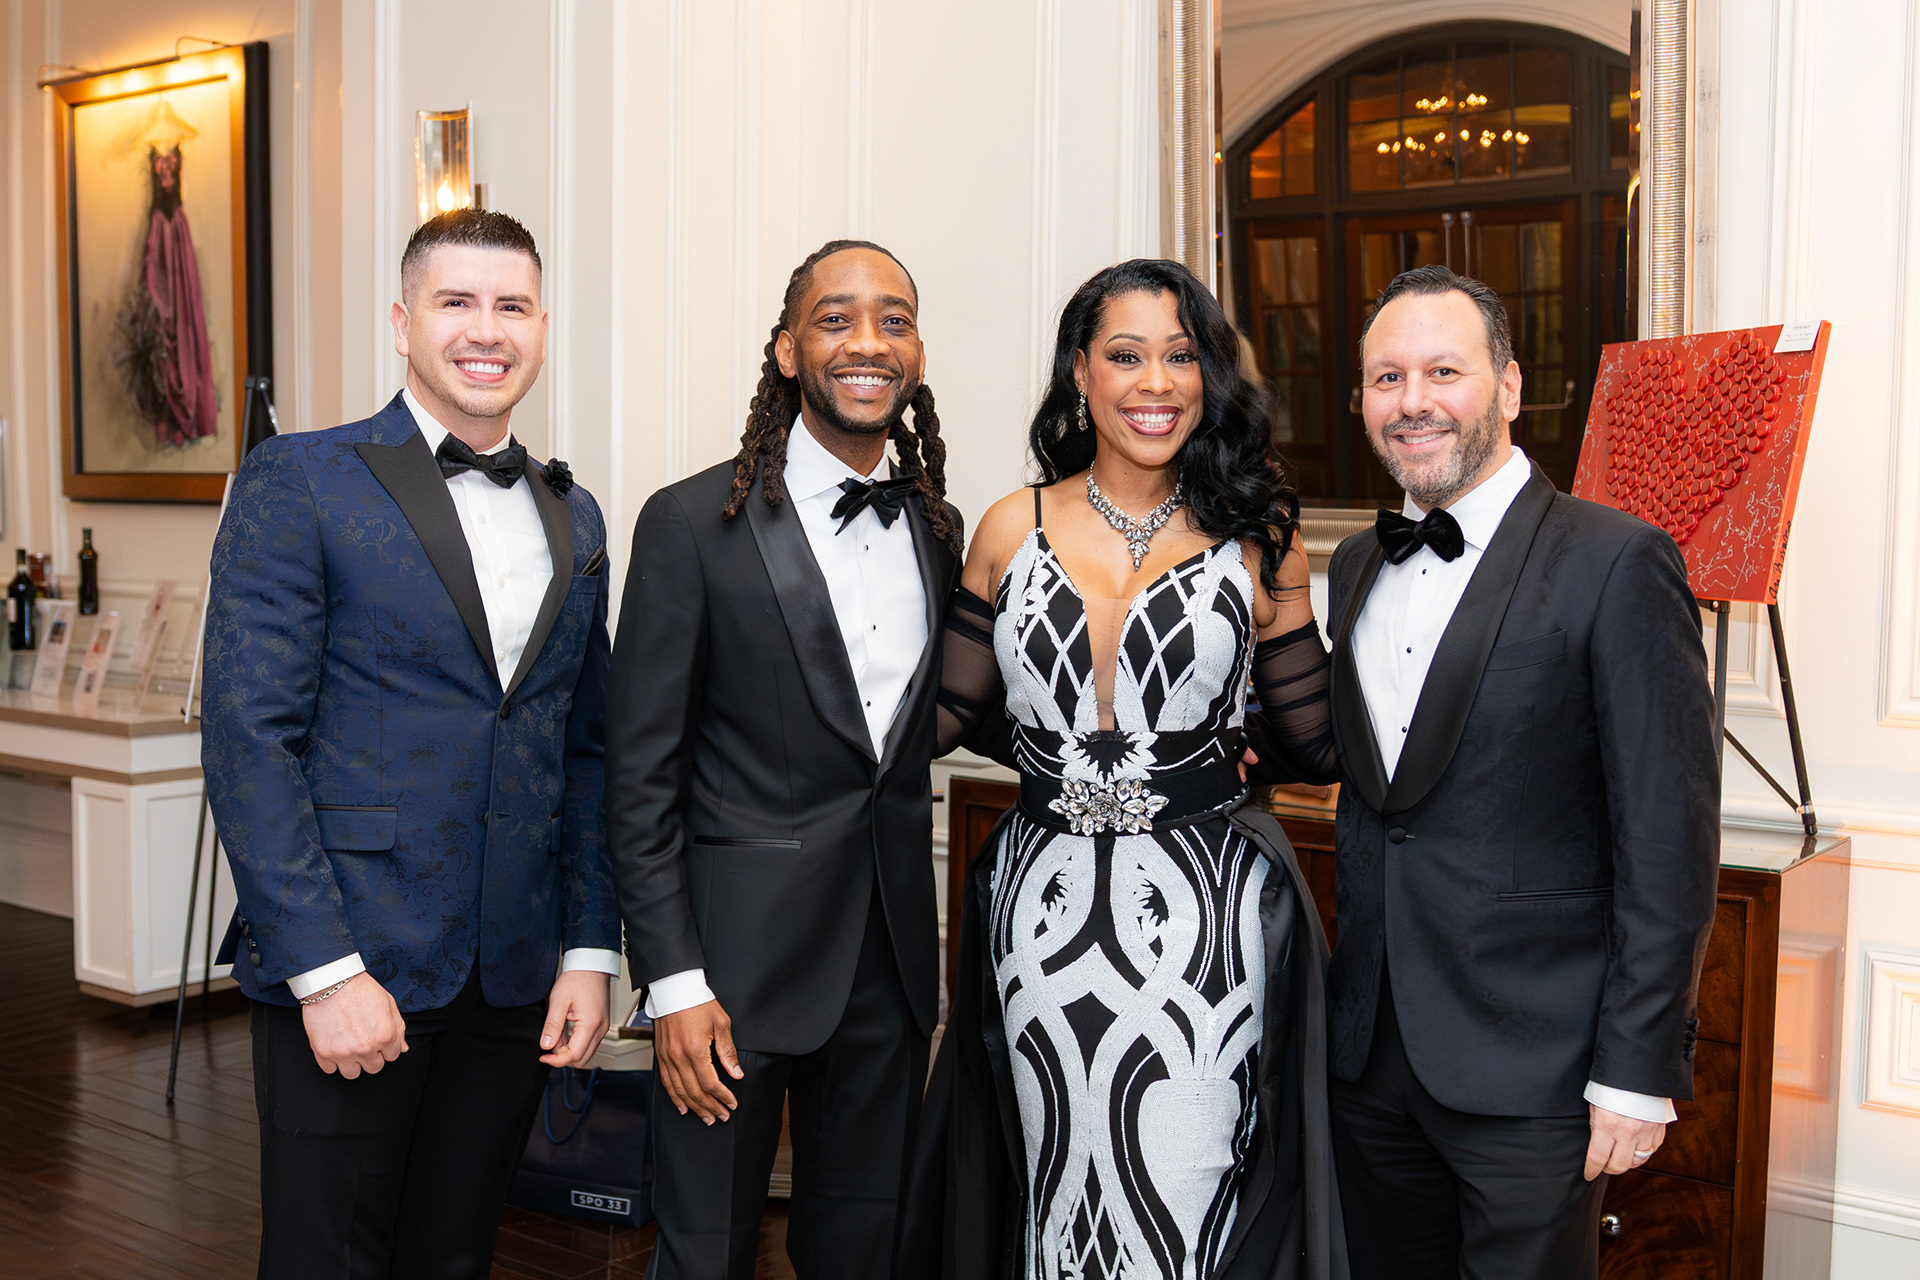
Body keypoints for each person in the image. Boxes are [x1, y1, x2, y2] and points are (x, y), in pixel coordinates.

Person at [201, 209, 621, 1280]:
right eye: (456, 302)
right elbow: (251, 739)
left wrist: (588, 950)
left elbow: (583, 750)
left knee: (457, 1254)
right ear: (402, 322)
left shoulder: (577, 517)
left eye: (513, 305)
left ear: (541, 328)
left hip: (512, 977)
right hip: (353, 960)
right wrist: (324, 972)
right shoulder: (301, 478)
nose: (487, 329)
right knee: (327, 1259)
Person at [926, 258, 1346, 1280]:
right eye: (1126, 355)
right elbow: (946, 716)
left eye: (1181, 356)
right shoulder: (1009, 527)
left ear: (1209, 377)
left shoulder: (1261, 539)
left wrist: (1217, 756)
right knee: (1051, 1183)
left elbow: (1317, 739)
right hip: (1040, 919)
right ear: (1081, 372)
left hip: (1203, 924)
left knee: (1191, 1189)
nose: (1155, 382)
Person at [1323, 265, 1719, 1279]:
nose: (1412, 400)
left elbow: (1667, 840)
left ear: (1508, 387)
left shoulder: (1619, 560)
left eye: (1443, 371)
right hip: (1369, 1058)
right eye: (1387, 377)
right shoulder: (1357, 565)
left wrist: (1635, 1071)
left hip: (1538, 1069)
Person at [605, 240, 967, 1279]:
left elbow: (938, 719)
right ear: (787, 348)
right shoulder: (690, 523)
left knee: (866, 1252)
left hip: (889, 970)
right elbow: (639, 779)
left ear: (918, 353)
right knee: (705, 1254)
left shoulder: (936, 526)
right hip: (730, 977)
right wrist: (673, 983)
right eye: (835, 318)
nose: (868, 342)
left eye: (894, 320)